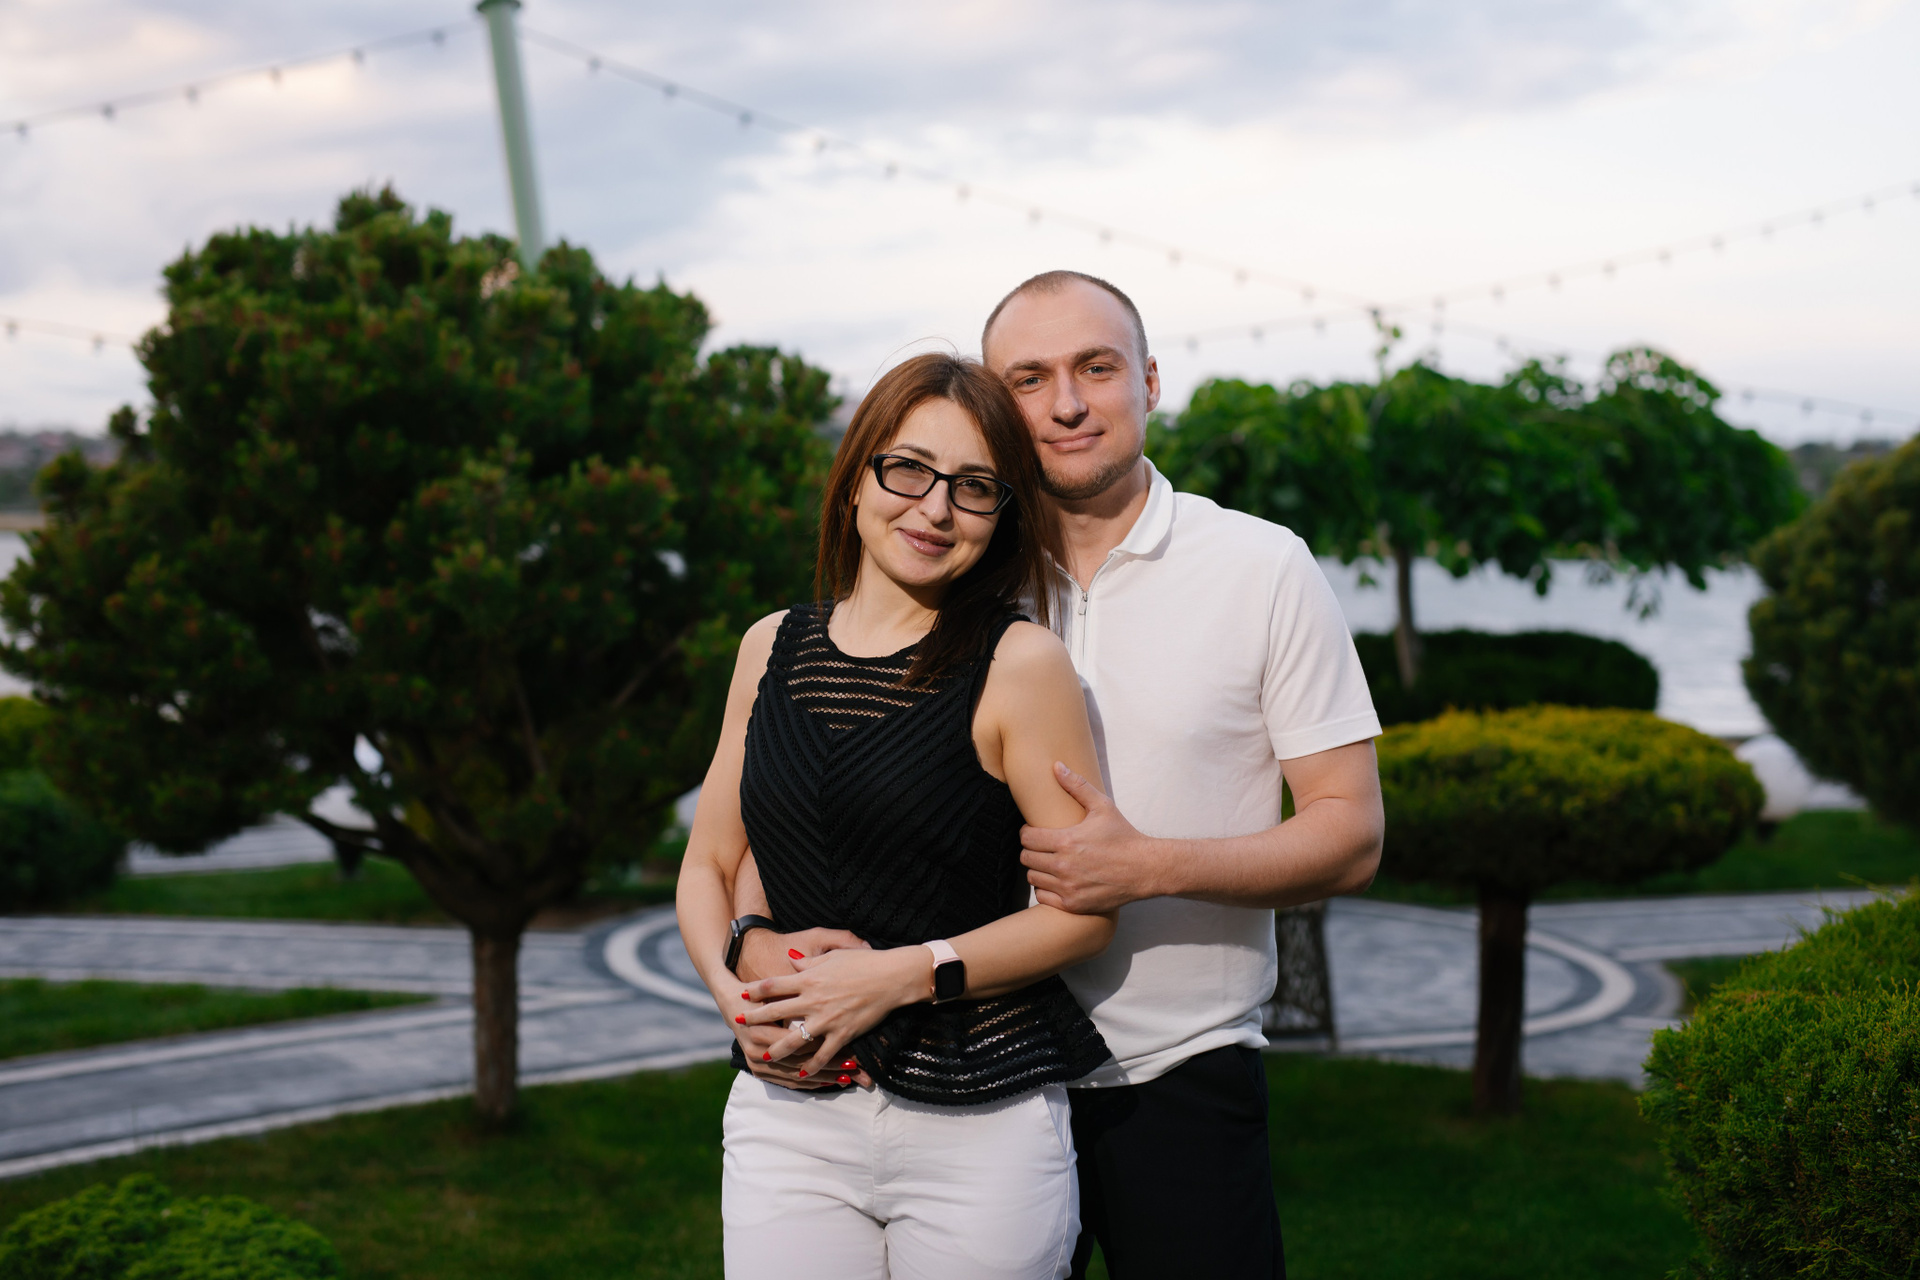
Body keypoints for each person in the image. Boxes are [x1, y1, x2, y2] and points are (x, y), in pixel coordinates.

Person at [733, 272, 1385, 1277]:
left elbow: (1351, 833)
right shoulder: (947, 563)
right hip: (958, 1070)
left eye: (1096, 368)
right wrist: (756, 938)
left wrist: (1150, 865)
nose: (1067, 404)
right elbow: (799, 788)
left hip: (1173, 1069)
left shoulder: (1262, 567)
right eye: (1029, 379)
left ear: (1150, 381)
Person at [676, 351, 1118, 1280]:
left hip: (980, 1122)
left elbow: (1084, 914)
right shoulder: (770, 647)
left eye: (973, 487)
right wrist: (735, 996)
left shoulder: (1021, 665)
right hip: (789, 1110)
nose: (935, 508)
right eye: (909, 469)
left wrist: (896, 976)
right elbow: (709, 866)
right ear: (855, 480)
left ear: (1001, 516)